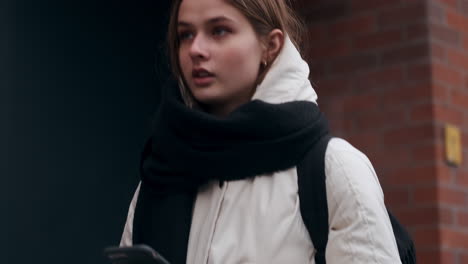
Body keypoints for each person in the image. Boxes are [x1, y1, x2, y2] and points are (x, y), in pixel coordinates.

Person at [120, 0, 402, 263]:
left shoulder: (334, 168)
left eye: (219, 31)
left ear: (271, 46)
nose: (196, 49)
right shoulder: (161, 172)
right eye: (186, 35)